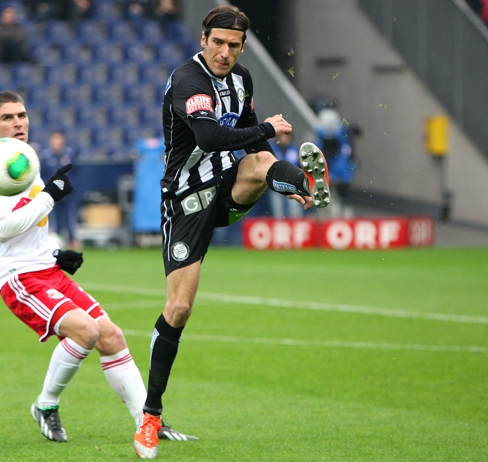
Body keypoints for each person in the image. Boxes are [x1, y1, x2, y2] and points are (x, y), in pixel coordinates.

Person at [132, 5, 330, 459]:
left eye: (234, 45)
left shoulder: (242, 81)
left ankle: (304, 182)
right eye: (218, 42)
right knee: (179, 308)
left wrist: (281, 173)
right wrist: (266, 128)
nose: (225, 52)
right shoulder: (189, 80)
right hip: (186, 200)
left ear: (242, 47)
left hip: (228, 185)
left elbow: (254, 144)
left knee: (262, 163)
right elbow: (207, 138)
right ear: (203, 39)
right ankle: (151, 415)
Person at [0, 90, 195, 445]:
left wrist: (55, 253)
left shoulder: (26, 162)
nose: (18, 123)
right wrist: (50, 196)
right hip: (20, 278)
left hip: (46, 269)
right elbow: (2, 228)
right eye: (8, 118)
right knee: (86, 332)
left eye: (22, 115)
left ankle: (148, 422)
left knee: (112, 336)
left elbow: (30, 224)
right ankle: (45, 405)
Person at [39, 129, 80, 248]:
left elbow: (75, 173)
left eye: (59, 139)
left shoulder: (70, 155)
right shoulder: (46, 157)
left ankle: (72, 239)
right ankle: (56, 239)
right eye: (54, 139)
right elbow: (43, 175)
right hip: (52, 194)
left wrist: (70, 187)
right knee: (53, 218)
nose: (57, 142)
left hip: (68, 193)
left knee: (69, 216)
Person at [314, 108, 356, 218]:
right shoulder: (321, 136)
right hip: (328, 173)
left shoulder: (341, 135)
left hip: (340, 174)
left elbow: (348, 154)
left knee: (343, 202)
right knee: (326, 204)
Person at [267, 132, 304, 218]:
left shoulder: (295, 150)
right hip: (276, 186)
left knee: (294, 211)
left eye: (286, 136)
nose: (284, 138)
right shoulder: (273, 150)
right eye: (282, 136)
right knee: (278, 212)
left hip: (293, 186)